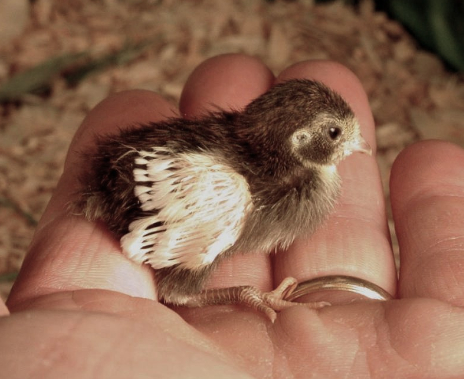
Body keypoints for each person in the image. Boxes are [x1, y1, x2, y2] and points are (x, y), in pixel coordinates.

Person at [1, 54, 464, 378]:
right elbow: (171, 279)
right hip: (169, 190)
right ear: (301, 144)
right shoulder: (224, 195)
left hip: (177, 171)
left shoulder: (263, 174)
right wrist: (244, 293)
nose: (355, 144)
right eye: (336, 133)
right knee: (205, 232)